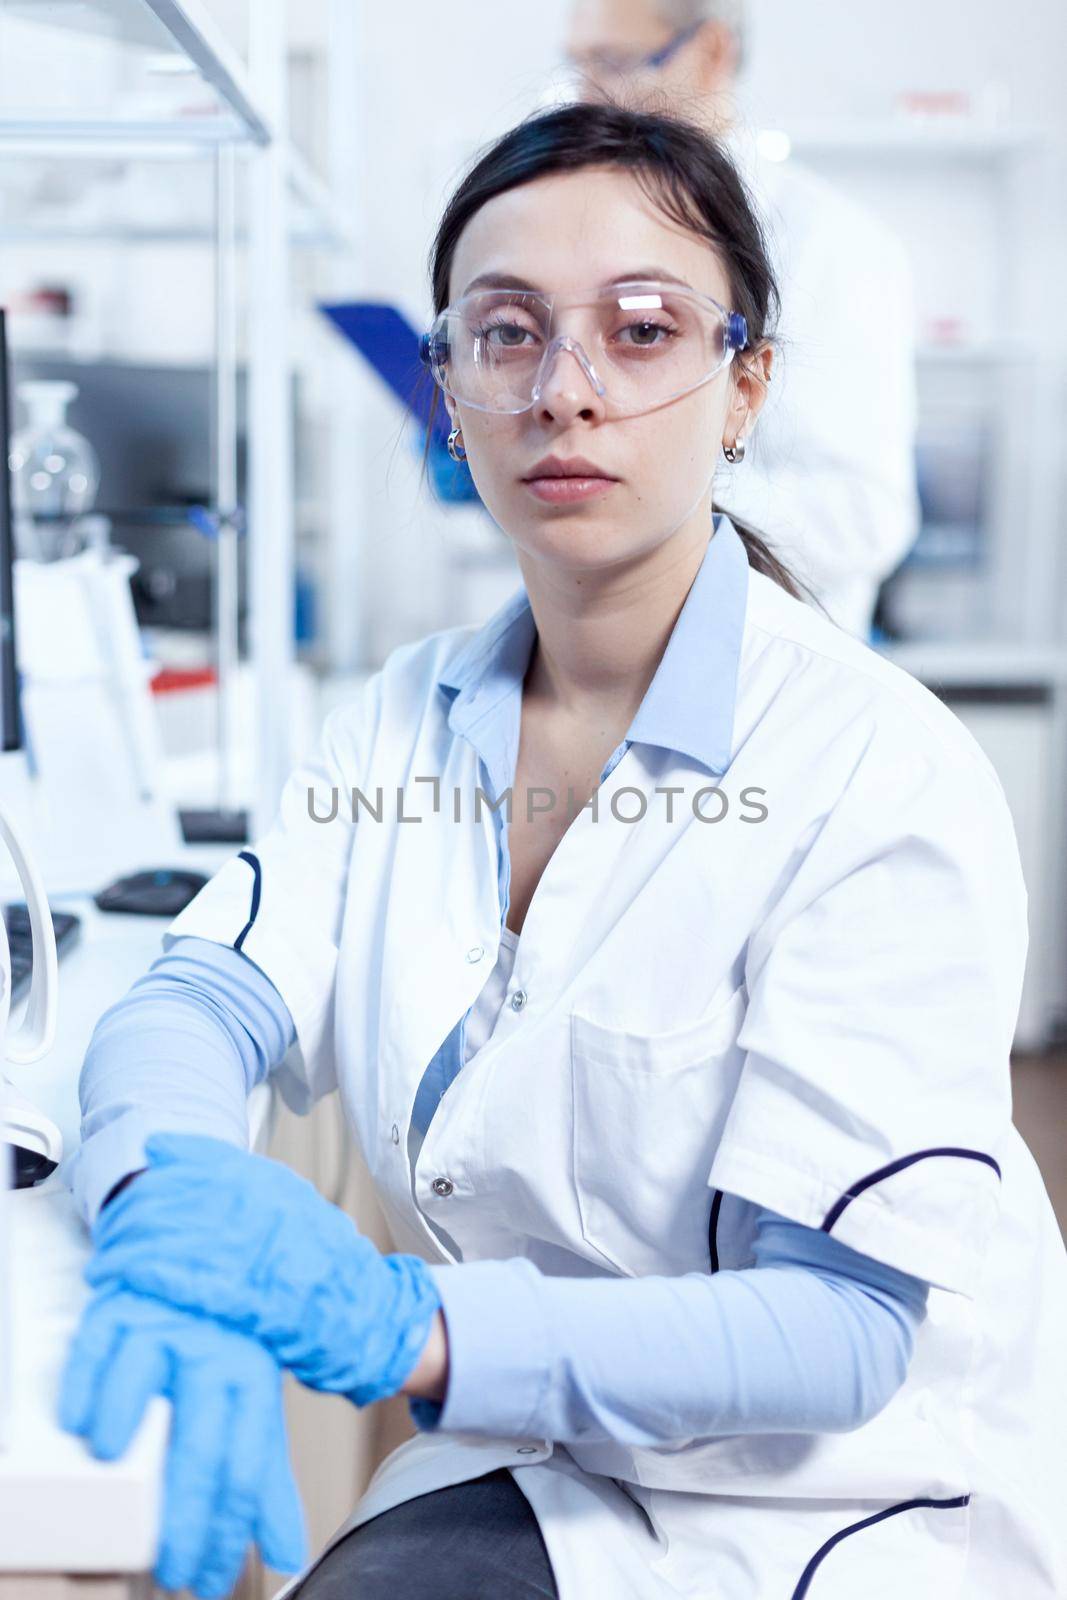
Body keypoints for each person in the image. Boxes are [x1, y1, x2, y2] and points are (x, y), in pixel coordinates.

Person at [57, 103, 1067, 1600]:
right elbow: (199, 999)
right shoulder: (400, 714)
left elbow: (842, 1333)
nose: (565, 391)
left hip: (845, 1511)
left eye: (643, 331)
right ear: (447, 391)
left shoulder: (878, 773)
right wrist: (168, 1207)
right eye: (506, 333)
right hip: (531, 1460)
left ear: (743, 390)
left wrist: (401, 1325)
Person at [564, 0, 921, 639]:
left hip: (774, 672)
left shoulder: (831, 244)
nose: (586, 97)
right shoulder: (584, 229)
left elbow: (865, 516)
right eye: (577, 67)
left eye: (613, 62)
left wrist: (650, 484)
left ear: (711, 52)